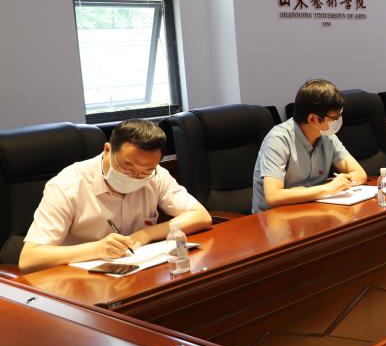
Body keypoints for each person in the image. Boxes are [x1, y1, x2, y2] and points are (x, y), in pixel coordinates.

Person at [19, 119, 212, 274]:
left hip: (136, 275)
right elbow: (29, 259)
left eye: (145, 171)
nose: (136, 176)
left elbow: (200, 216)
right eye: (127, 167)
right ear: (107, 150)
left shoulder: (156, 174)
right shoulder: (67, 185)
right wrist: (97, 249)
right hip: (78, 281)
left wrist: (144, 235)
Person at [252, 78, 367, 212]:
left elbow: (360, 174)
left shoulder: (328, 136)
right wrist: (328, 188)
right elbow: (273, 196)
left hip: (312, 210)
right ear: (313, 119)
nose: (339, 120)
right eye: (334, 118)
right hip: (273, 217)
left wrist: (342, 182)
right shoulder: (278, 139)